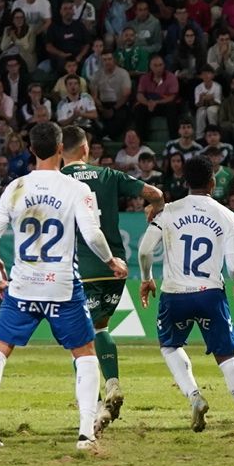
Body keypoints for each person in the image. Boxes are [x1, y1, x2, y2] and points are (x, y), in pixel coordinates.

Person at [0, 121, 127, 457]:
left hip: (22, 287)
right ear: (60, 146)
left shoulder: (16, 187)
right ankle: (85, 433)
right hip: (62, 288)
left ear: (31, 149)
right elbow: (93, 235)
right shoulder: (75, 188)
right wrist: (111, 262)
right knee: (85, 355)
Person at [136, 156, 234, 438]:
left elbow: (145, 251)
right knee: (227, 357)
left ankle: (195, 396)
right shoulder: (227, 215)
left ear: (184, 181)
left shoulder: (167, 211)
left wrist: (146, 279)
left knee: (169, 346)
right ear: (213, 182)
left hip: (175, 294)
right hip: (210, 294)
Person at [60, 125, 165, 431]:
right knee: (99, 326)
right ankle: (112, 384)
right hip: (115, 266)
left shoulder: (58, 181)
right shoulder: (108, 175)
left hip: (80, 268)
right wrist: (154, 208)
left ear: (59, 151)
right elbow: (155, 193)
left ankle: (95, 405)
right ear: (85, 149)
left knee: (79, 339)